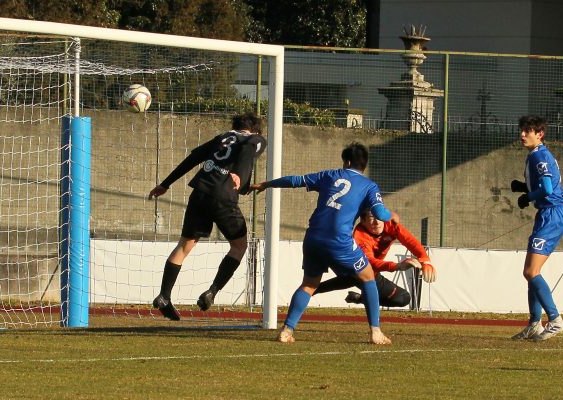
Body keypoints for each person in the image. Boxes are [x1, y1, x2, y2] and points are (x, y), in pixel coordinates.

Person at [249, 142, 393, 345]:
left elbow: (296, 180)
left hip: (313, 238)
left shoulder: (329, 175)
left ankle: (287, 330)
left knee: (309, 284)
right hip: (339, 241)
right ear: (364, 164)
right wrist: (390, 215)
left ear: (347, 161)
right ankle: (375, 332)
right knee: (368, 277)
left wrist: (268, 184)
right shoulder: (369, 186)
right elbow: (380, 214)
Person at [148, 112, 266, 320]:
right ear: (255, 129)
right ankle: (212, 291)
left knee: (184, 246)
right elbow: (247, 151)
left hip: (200, 193)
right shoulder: (255, 139)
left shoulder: (221, 138)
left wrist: (165, 184)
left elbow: (192, 158)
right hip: (223, 197)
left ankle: (164, 296)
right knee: (239, 246)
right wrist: (239, 174)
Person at [510, 115, 563, 341]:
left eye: (527, 131)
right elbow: (548, 183)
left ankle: (555, 320)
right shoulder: (536, 155)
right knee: (530, 272)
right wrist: (523, 186)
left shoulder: (540, 156)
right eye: (522, 130)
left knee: (531, 272)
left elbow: (546, 188)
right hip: (548, 214)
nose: (522, 135)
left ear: (540, 134)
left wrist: (528, 196)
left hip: (552, 214)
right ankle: (535, 323)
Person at [313, 209, 436, 307]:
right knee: (403, 297)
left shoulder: (391, 224)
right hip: (358, 270)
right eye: (372, 219)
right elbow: (369, 262)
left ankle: (310, 290)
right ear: (363, 221)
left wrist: (425, 260)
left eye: (379, 218)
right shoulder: (360, 235)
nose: (377, 222)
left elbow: (411, 242)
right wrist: (396, 266)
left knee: (403, 298)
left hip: (367, 273)